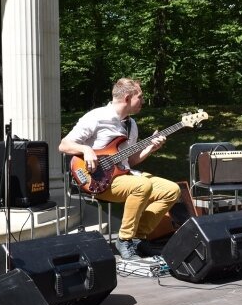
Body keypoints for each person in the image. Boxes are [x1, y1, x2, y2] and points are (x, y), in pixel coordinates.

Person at [58, 78, 181, 260]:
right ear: (127, 97)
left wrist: (150, 148)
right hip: (97, 180)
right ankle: (124, 239)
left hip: (124, 175)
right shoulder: (96, 117)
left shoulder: (132, 125)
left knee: (172, 190)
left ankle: (138, 238)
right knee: (142, 186)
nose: (143, 101)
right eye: (140, 97)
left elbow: (130, 160)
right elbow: (64, 145)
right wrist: (86, 149)